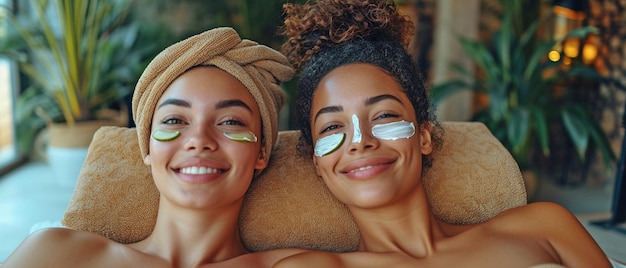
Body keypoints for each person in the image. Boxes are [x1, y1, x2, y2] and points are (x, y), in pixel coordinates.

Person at [275, 0, 612, 267]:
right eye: (333, 127)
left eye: (384, 115)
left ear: (424, 136)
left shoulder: (545, 227)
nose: (361, 140)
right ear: (317, 161)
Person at [2, 27, 304, 267]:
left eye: (230, 122)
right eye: (174, 120)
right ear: (147, 145)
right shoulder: (55, 252)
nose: (199, 139)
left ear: (262, 151)